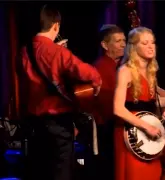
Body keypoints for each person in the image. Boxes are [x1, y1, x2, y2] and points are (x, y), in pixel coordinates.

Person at [18, 5, 102, 180]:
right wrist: (97, 80)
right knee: (61, 172)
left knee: (40, 172)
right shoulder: (57, 52)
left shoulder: (24, 52)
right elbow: (85, 71)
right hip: (58, 123)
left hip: (33, 124)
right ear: (56, 25)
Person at [113, 26, 165, 180]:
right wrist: (146, 126)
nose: (151, 46)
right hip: (131, 134)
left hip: (149, 136)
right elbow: (118, 109)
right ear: (134, 47)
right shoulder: (125, 71)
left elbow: (152, 100)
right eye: (145, 43)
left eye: (152, 42)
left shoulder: (151, 71)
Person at [92, 24, 126, 179]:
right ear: (105, 45)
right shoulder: (99, 68)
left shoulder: (122, 65)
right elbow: (106, 104)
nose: (124, 45)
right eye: (118, 41)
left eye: (124, 40)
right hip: (108, 128)